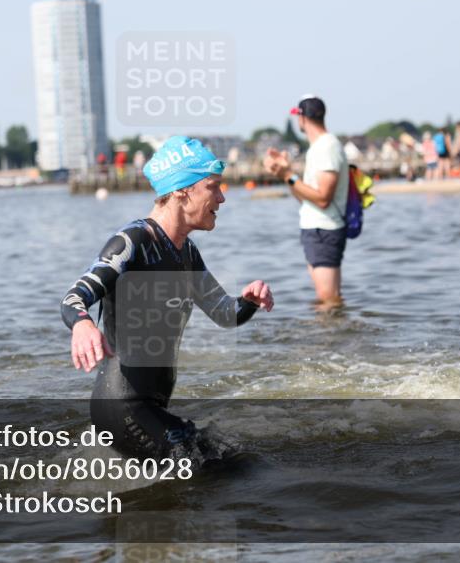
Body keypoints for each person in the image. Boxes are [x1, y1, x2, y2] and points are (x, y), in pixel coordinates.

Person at [61, 136, 274, 460]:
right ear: (181, 190)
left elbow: (224, 313)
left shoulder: (186, 252)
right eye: (213, 187)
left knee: (229, 460)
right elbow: (75, 296)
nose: (221, 197)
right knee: (225, 470)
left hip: (149, 407)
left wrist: (249, 300)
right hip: (123, 406)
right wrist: (83, 326)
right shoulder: (133, 243)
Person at [263, 95, 349, 307]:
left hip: (324, 230)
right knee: (330, 299)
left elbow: (322, 199)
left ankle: (328, 339)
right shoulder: (320, 147)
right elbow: (306, 198)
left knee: (327, 300)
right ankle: (335, 338)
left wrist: (288, 175)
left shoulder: (326, 147)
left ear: (301, 118)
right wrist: (287, 174)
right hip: (319, 230)